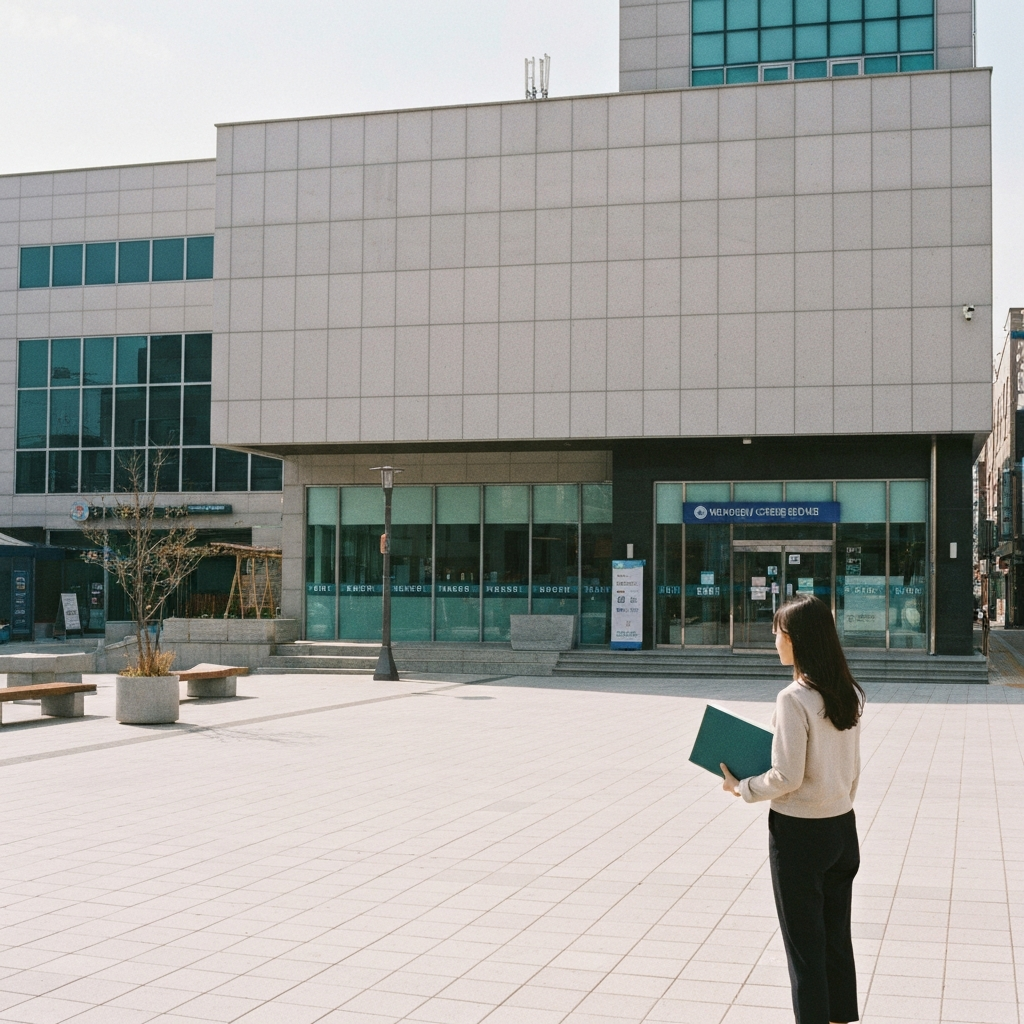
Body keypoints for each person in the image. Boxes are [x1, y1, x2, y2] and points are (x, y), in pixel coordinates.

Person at [720, 595, 864, 1024]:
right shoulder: (845, 691)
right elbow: (853, 769)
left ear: (797, 640)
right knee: (835, 938)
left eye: (778, 634)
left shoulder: (794, 698)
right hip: (842, 828)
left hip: (800, 834)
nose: (775, 642)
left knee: (804, 948)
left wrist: (741, 787)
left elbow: (786, 776)